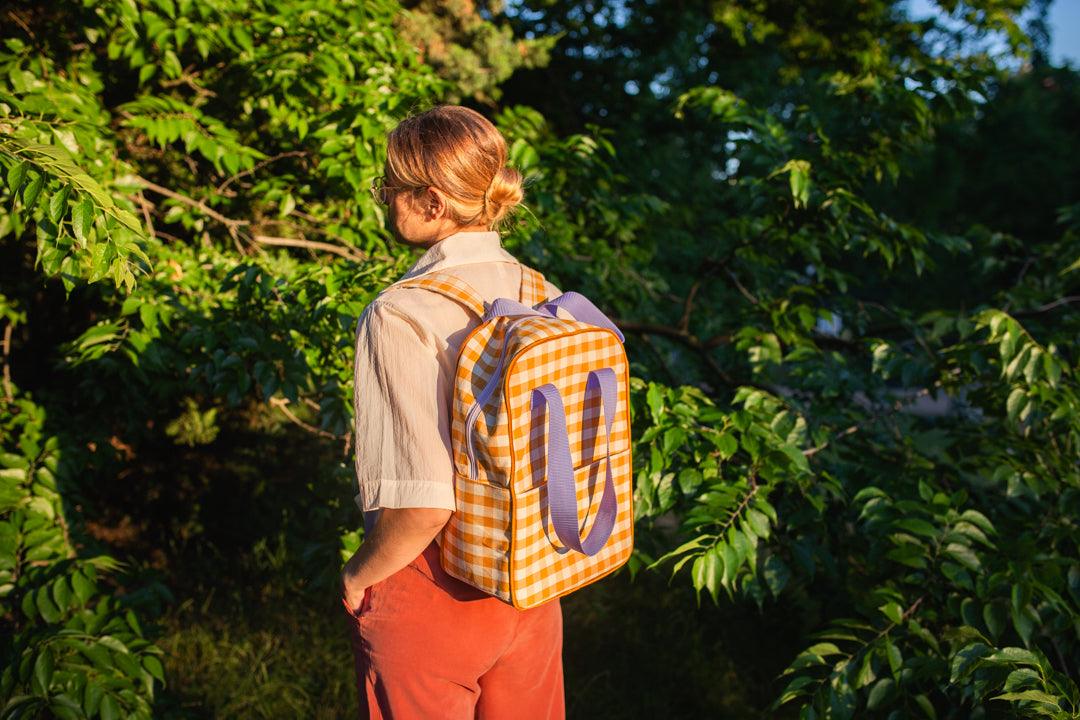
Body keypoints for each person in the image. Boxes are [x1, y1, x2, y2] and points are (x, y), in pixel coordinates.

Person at [339, 105, 566, 720]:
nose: (383, 198)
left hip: (432, 589)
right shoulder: (540, 292)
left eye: (389, 185)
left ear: (432, 202)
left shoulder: (401, 312)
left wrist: (359, 575)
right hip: (530, 582)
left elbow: (423, 504)